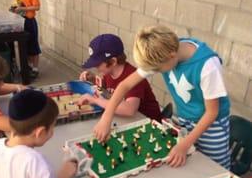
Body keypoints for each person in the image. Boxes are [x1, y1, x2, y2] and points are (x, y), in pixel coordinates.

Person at [94, 25, 230, 169]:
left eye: (157, 69)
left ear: (171, 56)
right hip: (185, 120)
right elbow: (124, 86)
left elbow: (211, 113)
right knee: (189, 166)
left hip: (213, 127)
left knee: (213, 168)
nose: (155, 72)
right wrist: (106, 118)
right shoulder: (163, 51)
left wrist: (184, 144)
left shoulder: (208, 66)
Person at [78, 34, 162, 121]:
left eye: (98, 64)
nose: (95, 67)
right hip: (129, 121)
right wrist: (93, 80)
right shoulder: (109, 73)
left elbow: (129, 109)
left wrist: (95, 100)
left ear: (113, 61)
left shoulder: (132, 77)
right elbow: (105, 91)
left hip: (149, 124)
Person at [7, 0, 41, 79]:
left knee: (33, 45)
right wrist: (15, 8)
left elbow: (37, 7)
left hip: (30, 21)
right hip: (20, 21)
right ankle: (29, 66)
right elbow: (18, 3)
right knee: (24, 46)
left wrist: (23, 8)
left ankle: (35, 69)